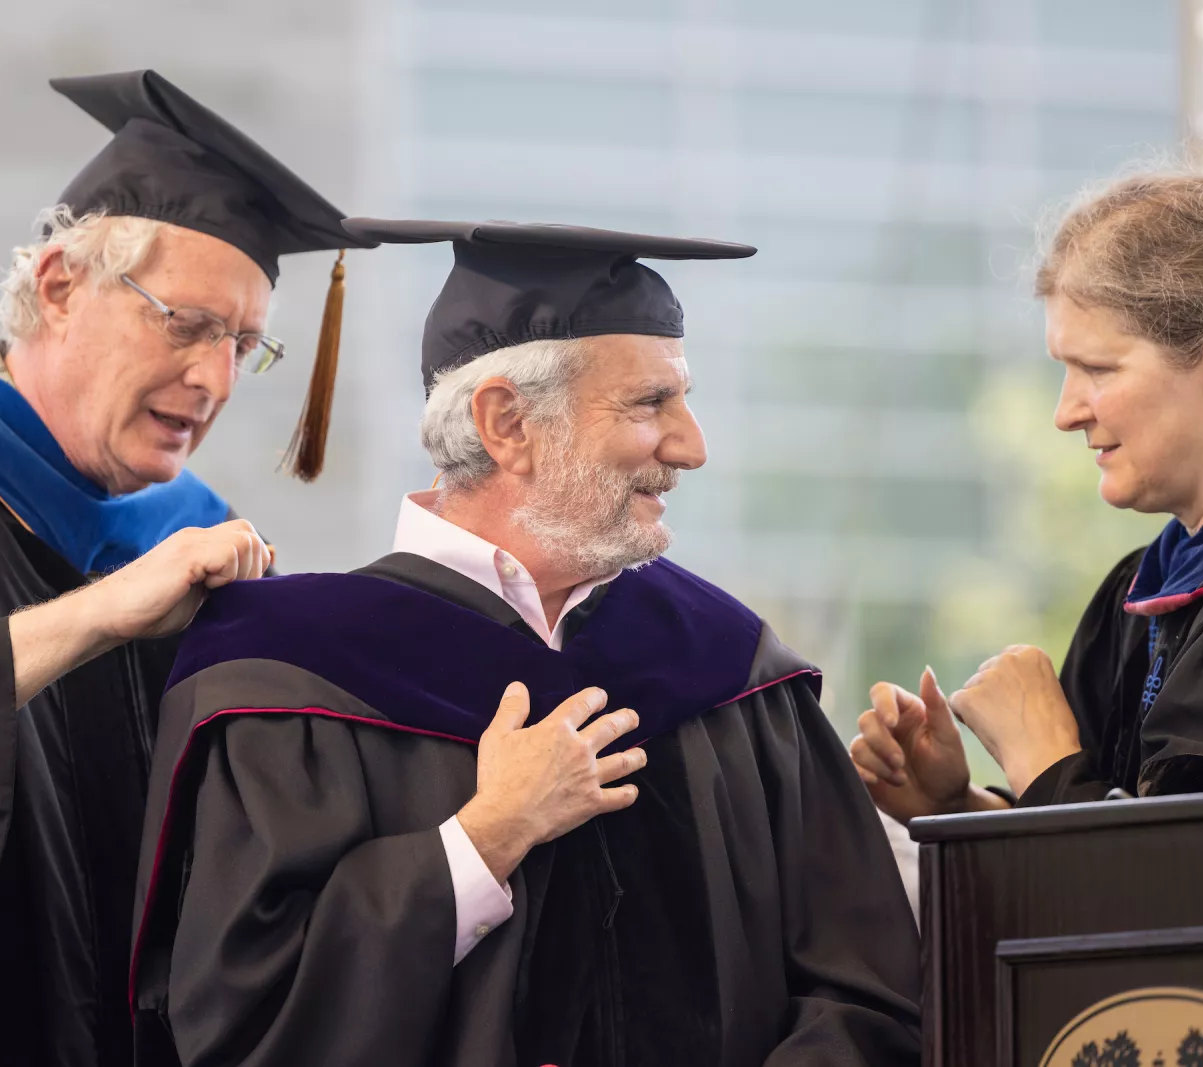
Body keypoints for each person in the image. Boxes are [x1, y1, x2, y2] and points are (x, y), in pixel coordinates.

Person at [130, 219, 923, 1067]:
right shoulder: (292, 678)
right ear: (506, 422)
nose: (692, 445)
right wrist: (480, 841)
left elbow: (868, 986)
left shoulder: (726, 665)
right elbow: (246, 1019)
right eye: (652, 403)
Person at [0, 70, 373, 1067]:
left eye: (247, 344)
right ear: (61, 285)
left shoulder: (199, 547)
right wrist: (103, 613)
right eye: (187, 322)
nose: (215, 379)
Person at [852, 172, 1203, 821]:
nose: (1065, 412)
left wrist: (1043, 760)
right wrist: (963, 804)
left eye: (1098, 369)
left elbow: (1202, 906)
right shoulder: (1152, 586)